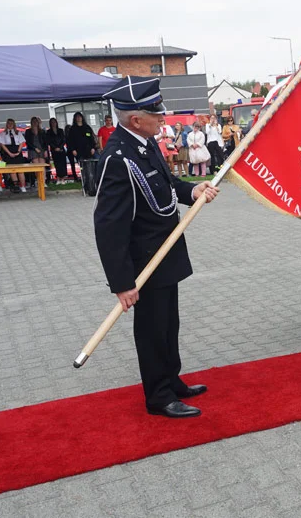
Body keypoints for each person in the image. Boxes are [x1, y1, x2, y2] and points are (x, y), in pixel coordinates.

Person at [94, 76, 219, 418]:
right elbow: (109, 227)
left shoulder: (146, 144)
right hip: (144, 263)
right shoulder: (117, 158)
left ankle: (171, 378)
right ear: (136, 119)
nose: (163, 118)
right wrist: (122, 283)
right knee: (151, 330)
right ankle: (159, 396)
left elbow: (168, 183)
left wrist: (191, 191)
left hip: (167, 252)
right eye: (156, 113)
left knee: (168, 324)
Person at [0, 118, 27, 193]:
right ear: (6, 124)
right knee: (12, 170)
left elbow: (21, 143)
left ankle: (23, 186)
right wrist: (9, 153)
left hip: (17, 151)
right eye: (8, 123)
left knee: (21, 171)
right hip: (8, 151)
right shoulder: (3, 133)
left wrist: (18, 151)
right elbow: (2, 144)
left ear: (14, 124)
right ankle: (16, 186)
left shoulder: (18, 132)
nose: (10, 125)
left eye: (11, 123)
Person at [66, 112, 96, 180]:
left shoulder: (87, 127)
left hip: (88, 150)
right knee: (82, 166)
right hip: (78, 151)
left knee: (89, 166)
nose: (78, 118)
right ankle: (84, 179)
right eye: (77, 117)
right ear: (75, 119)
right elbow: (70, 140)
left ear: (82, 118)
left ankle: (91, 180)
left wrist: (93, 148)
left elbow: (91, 139)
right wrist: (73, 149)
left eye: (80, 117)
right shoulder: (73, 129)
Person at [24, 117, 48, 188]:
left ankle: (43, 181)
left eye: (36, 121)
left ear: (38, 122)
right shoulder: (28, 131)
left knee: (42, 166)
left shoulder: (42, 131)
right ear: (31, 122)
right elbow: (28, 142)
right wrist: (35, 148)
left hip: (41, 149)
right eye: (33, 121)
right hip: (32, 149)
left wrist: (45, 150)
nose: (35, 123)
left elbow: (45, 142)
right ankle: (38, 180)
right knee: (36, 166)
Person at [45, 118, 68, 184]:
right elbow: (49, 141)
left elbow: (64, 140)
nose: (53, 123)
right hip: (54, 150)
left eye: (54, 122)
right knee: (57, 164)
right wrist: (55, 147)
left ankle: (63, 178)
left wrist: (60, 147)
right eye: (52, 122)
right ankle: (58, 178)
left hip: (61, 149)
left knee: (63, 164)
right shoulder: (49, 132)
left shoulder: (60, 130)